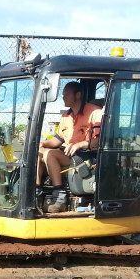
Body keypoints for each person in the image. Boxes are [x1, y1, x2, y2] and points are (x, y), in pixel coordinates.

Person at [37, 81, 102, 212]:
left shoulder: (95, 113)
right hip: (68, 154)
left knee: (50, 154)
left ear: (78, 95)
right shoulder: (66, 116)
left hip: (85, 157)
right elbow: (57, 140)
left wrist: (80, 144)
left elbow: (99, 141)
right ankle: (35, 193)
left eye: (66, 94)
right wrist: (42, 143)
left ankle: (60, 198)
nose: (63, 97)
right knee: (37, 152)